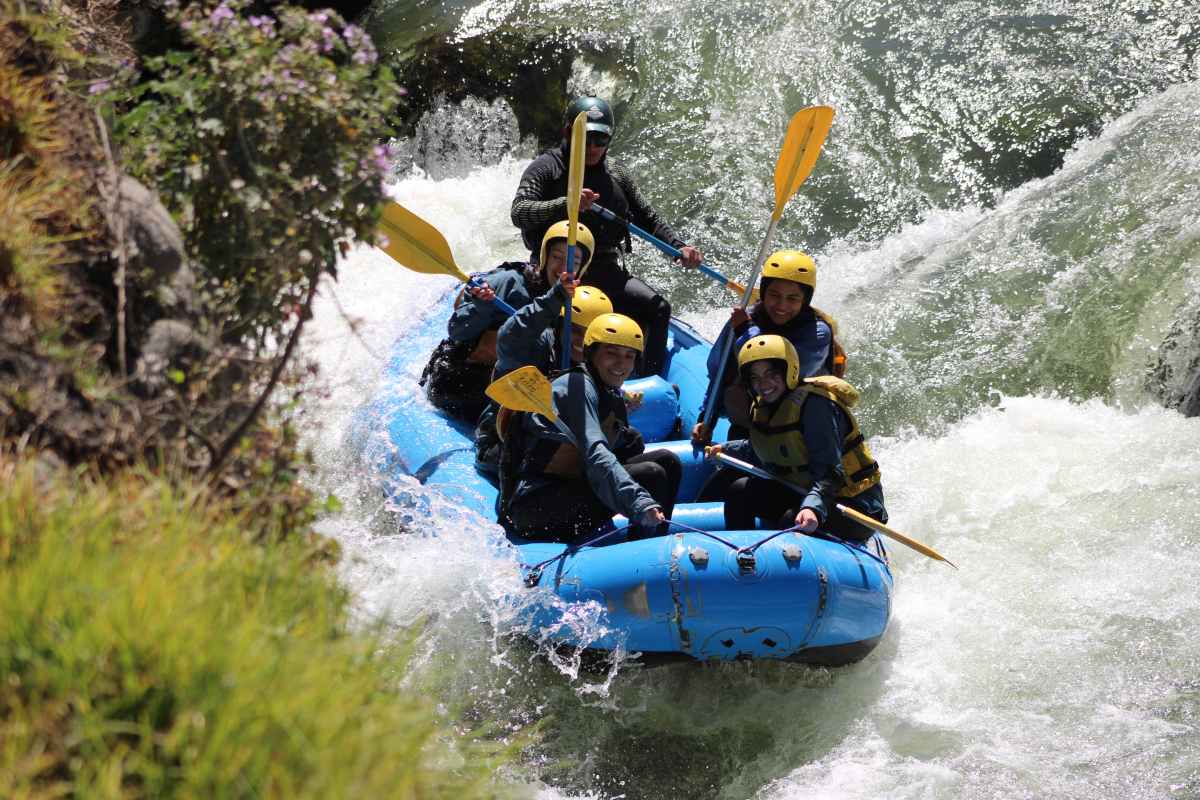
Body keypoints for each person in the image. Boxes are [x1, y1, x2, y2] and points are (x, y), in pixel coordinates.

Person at [511, 95, 704, 378]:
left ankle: (647, 383)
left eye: (600, 140)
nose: (592, 147)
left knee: (659, 308)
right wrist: (566, 204)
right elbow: (519, 212)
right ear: (568, 133)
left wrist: (679, 247)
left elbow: (647, 217)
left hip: (604, 268)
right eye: (585, 138)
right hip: (559, 271)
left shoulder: (616, 173)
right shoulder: (546, 168)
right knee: (568, 320)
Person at [499, 314, 682, 541]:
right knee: (650, 474)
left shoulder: (605, 387)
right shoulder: (576, 387)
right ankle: (642, 556)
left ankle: (654, 540)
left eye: (629, 356)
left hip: (571, 486)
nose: (621, 364)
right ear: (591, 353)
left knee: (668, 461)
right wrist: (639, 501)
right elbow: (596, 452)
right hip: (534, 507)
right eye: (611, 353)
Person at [704, 335, 886, 540]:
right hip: (804, 490)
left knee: (791, 521)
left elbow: (830, 473)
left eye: (771, 374)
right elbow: (773, 447)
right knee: (740, 492)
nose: (763, 384)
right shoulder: (765, 406)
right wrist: (728, 449)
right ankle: (737, 556)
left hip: (852, 503)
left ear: (788, 371)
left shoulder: (817, 406)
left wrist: (812, 508)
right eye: (755, 377)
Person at [420, 222, 594, 423]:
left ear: (582, 268)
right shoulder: (507, 282)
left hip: (516, 385)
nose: (563, 268)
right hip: (462, 380)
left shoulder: (578, 302)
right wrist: (481, 305)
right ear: (545, 256)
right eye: (557, 257)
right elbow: (457, 332)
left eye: (574, 261)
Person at [692, 249, 846, 446]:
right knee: (735, 391)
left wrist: (746, 330)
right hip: (752, 420)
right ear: (763, 293)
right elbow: (721, 372)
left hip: (799, 428)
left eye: (792, 299)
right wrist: (707, 419)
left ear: (804, 301)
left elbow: (776, 374)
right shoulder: (746, 319)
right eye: (774, 295)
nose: (781, 305)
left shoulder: (817, 333)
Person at [474, 279, 613, 472]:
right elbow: (510, 336)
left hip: (556, 446)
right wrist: (554, 298)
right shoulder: (534, 347)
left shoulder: (597, 363)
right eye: (574, 330)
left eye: (588, 334)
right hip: (502, 444)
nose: (581, 341)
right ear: (560, 325)